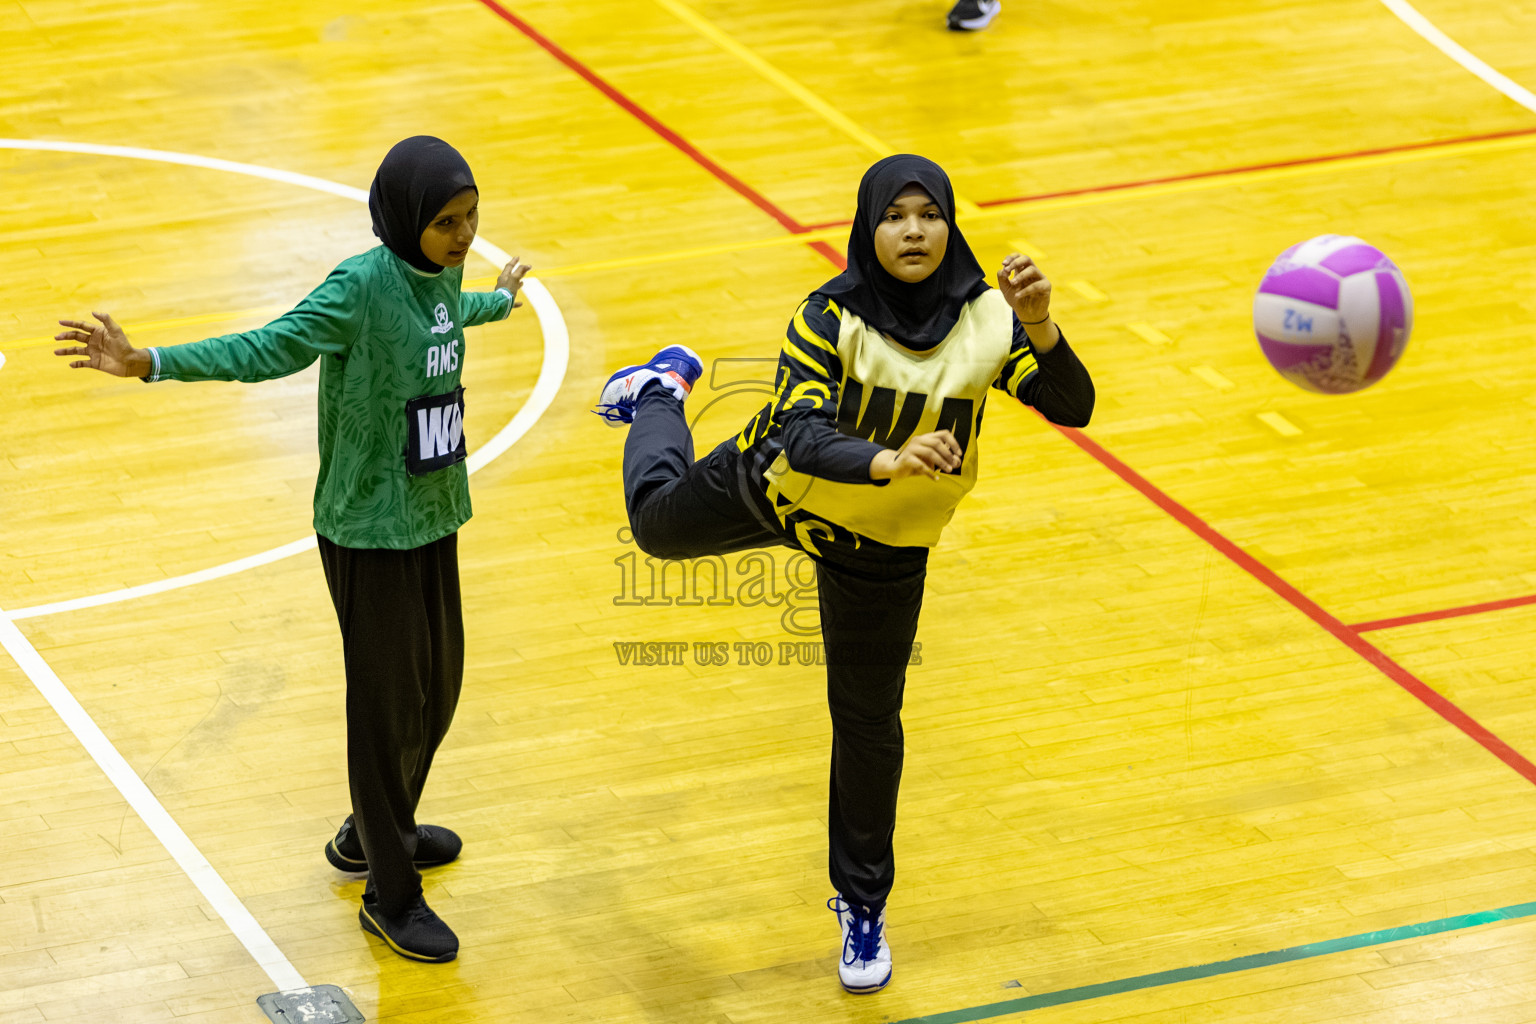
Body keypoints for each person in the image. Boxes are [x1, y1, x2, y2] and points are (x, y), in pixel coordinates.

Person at [595, 154, 1093, 994]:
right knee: (654, 529)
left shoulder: (988, 317)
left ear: (949, 224)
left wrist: (1042, 325)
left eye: (927, 214)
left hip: (883, 547)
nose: (912, 231)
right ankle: (659, 393)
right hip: (782, 491)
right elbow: (800, 432)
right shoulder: (828, 315)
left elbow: (1071, 404)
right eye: (894, 216)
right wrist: (890, 459)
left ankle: (862, 909)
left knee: (867, 722)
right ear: (868, 228)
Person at [53, 136, 531, 965]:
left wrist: (499, 299)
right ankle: (389, 894)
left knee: (438, 687)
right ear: (403, 219)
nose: (462, 234)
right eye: (447, 222)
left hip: (434, 509)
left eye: (470, 217)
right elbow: (267, 347)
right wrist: (147, 363)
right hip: (368, 526)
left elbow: (450, 317)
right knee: (387, 710)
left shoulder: (444, 275)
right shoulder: (358, 288)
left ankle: (372, 833)